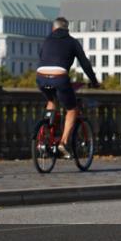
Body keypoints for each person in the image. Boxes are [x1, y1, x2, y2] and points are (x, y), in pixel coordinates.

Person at [36, 17, 99, 157]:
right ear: (67, 29)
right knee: (72, 109)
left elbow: (41, 55)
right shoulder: (72, 42)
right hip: (60, 77)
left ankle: (44, 136)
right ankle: (63, 143)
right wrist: (94, 81)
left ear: (53, 28)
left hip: (41, 76)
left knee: (51, 101)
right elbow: (85, 63)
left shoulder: (46, 40)